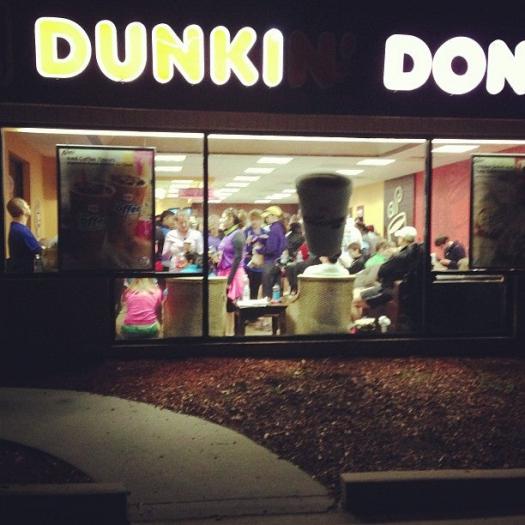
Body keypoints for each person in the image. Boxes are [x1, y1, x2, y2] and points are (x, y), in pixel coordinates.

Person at [216, 208, 247, 334]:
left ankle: (235, 335)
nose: (222, 220)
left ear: (231, 219)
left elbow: (238, 258)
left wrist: (229, 281)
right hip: (223, 272)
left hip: (233, 274)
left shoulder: (238, 234)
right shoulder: (227, 234)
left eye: (224, 217)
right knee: (226, 307)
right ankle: (228, 333)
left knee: (233, 307)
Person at [257, 205, 287, 299]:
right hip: (278, 263)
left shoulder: (274, 229)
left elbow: (271, 249)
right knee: (276, 292)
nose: (266, 219)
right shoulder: (281, 228)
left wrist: (259, 250)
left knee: (267, 293)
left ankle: (268, 308)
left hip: (270, 263)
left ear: (274, 216)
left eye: (268, 217)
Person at [6, 197, 43, 273]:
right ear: (23, 210)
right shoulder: (21, 231)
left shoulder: (17, 227)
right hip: (25, 272)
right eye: (26, 205)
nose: (29, 206)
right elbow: (37, 250)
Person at [243, 208, 268, 299]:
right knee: (250, 289)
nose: (254, 222)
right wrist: (247, 243)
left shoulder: (266, 232)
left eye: (256, 219)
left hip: (261, 265)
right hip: (248, 265)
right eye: (252, 219)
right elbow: (243, 250)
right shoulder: (246, 232)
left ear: (261, 220)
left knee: (260, 289)